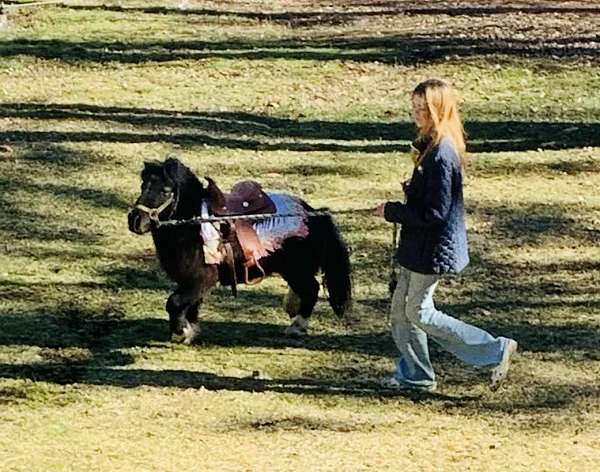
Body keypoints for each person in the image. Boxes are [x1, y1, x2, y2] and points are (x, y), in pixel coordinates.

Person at [373, 78, 517, 392]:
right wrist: (412, 192)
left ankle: (495, 349)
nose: (417, 114)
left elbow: (435, 214)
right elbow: (432, 202)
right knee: (401, 311)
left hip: (432, 250)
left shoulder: (440, 154)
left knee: (418, 311)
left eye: (423, 109)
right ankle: (416, 376)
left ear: (439, 110)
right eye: (414, 108)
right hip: (419, 246)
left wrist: (392, 211)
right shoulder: (431, 147)